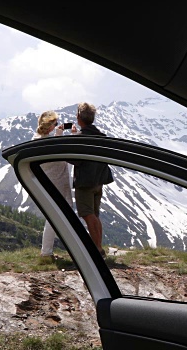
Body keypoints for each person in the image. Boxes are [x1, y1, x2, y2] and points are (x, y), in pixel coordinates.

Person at [70, 102, 113, 257]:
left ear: (78, 118)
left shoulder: (82, 138)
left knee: (88, 215)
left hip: (85, 183)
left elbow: (76, 160)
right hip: (98, 182)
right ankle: (98, 247)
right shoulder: (101, 136)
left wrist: (71, 141)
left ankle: (98, 250)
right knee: (94, 215)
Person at [32, 110, 74, 259]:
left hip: (52, 182)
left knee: (55, 218)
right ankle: (48, 252)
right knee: (58, 217)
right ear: (50, 125)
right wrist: (63, 135)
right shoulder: (46, 141)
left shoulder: (38, 139)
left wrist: (58, 135)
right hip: (57, 183)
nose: (57, 125)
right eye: (55, 123)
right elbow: (60, 152)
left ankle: (48, 251)